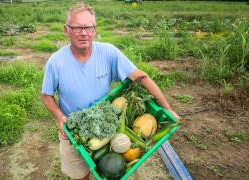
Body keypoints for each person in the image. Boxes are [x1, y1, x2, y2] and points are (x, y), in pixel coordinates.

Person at [41, 3, 180, 180]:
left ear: (95, 29)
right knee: (79, 176)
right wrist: (60, 118)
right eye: (77, 28)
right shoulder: (56, 62)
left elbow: (141, 78)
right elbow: (46, 95)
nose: (84, 33)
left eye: (88, 27)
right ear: (66, 29)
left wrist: (167, 108)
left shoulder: (108, 53)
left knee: (111, 169)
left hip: (108, 128)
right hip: (74, 132)